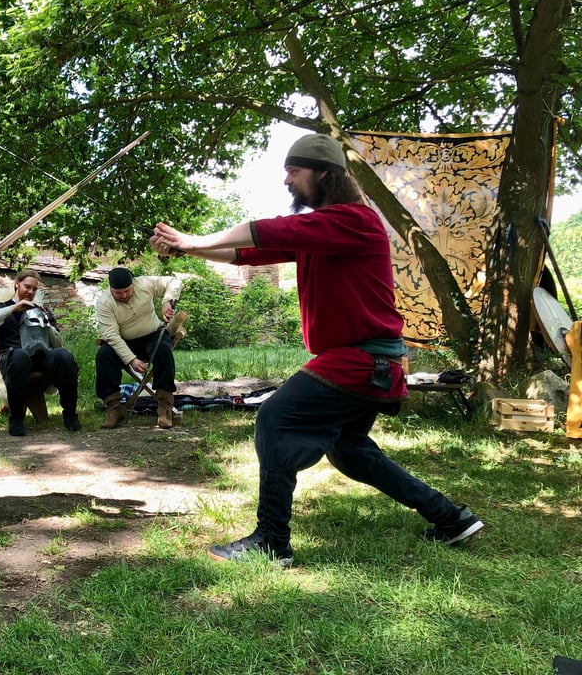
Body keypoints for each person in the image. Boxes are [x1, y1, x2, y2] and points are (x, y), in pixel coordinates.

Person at [151, 133, 483, 565]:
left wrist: (193, 239)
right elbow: (248, 252)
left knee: (276, 416)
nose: (286, 180)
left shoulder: (353, 220)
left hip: (360, 359)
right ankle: (451, 518)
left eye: (294, 171)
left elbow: (266, 229)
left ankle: (272, 540)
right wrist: (187, 247)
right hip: (367, 360)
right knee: (351, 451)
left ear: (324, 174)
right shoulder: (322, 231)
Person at [0, 269, 81, 436]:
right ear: (17, 284)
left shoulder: (42, 310)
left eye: (34, 289)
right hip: (12, 359)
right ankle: (16, 419)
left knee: (63, 355)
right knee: (20, 355)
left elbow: (58, 343)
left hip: (42, 358)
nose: (30, 291)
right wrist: (13, 308)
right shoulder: (1, 307)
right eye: (27, 287)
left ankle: (70, 415)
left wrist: (45, 323)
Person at [95, 267, 182, 429]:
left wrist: (167, 302)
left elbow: (174, 281)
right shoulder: (104, 303)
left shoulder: (144, 283)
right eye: (118, 293)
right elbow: (111, 336)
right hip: (124, 341)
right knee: (104, 355)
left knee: (164, 350)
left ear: (133, 283)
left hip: (152, 336)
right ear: (110, 289)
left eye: (127, 291)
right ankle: (114, 408)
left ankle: (164, 407)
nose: (124, 295)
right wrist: (131, 359)